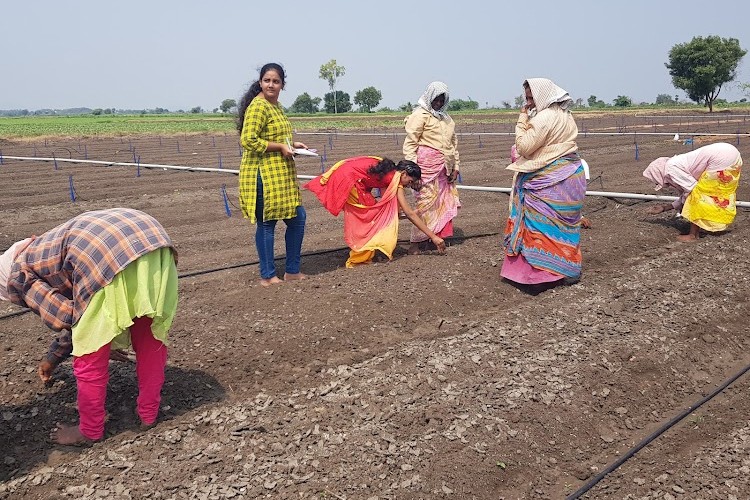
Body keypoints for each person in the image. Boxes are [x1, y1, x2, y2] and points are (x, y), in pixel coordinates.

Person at [0, 208, 178, 445]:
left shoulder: (18, 275)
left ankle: (90, 431)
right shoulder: (40, 246)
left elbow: (69, 317)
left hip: (104, 252)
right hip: (153, 240)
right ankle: (149, 414)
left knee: (89, 353)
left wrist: (91, 341)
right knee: (149, 334)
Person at [501, 78, 587, 289]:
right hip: (570, 175)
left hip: (547, 180)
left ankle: (539, 277)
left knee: (539, 227)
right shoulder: (566, 116)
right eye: (527, 99)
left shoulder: (544, 117)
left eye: (531, 99)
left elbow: (524, 147)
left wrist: (522, 118)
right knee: (563, 227)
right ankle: (565, 269)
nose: (529, 103)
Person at [237, 63, 309, 287]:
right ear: (260, 82)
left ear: (282, 85)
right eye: (267, 80)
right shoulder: (258, 106)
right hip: (263, 176)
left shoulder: (276, 106)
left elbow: (274, 135)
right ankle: (268, 275)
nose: (271, 84)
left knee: (298, 219)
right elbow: (248, 140)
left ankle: (292, 271)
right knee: (267, 223)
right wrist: (280, 147)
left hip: (281, 176)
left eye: (275, 81)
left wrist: (292, 144)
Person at [303, 156, 447, 267]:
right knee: (369, 220)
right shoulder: (394, 180)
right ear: (403, 173)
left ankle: (364, 254)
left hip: (350, 178)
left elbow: (390, 204)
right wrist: (433, 236)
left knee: (374, 214)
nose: (409, 184)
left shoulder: (389, 171)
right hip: (349, 181)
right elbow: (408, 213)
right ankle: (358, 259)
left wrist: (396, 214)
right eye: (410, 181)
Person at [403, 81, 461, 254]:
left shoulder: (447, 119)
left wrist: (455, 166)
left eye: (442, 100)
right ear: (429, 97)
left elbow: (453, 145)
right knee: (424, 204)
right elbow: (411, 143)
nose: (438, 103)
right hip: (424, 168)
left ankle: (432, 239)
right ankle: (415, 242)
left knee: (441, 203)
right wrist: (412, 171)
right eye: (436, 99)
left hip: (444, 169)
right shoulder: (420, 115)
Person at [643, 142, 742, 242]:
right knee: (716, 194)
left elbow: (692, 190)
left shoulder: (671, 169)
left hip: (721, 158)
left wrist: (681, 206)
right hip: (732, 154)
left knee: (699, 195)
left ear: (658, 173)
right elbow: (687, 190)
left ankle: (693, 235)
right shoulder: (675, 163)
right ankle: (707, 225)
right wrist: (665, 208)